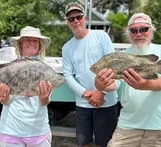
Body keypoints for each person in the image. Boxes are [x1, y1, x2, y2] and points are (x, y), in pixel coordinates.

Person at [95, 13, 161, 147]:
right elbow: (113, 84)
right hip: (128, 126)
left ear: (151, 30)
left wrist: (144, 85)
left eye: (143, 29)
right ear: (128, 33)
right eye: (133, 30)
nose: (138, 33)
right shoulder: (121, 56)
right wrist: (100, 85)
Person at [62, 2, 118, 147]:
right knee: (82, 144)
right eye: (71, 19)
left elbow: (113, 66)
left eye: (78, 17)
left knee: (105, 144)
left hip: (107, 102)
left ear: (84, 18)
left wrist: (101, 92)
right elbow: (68, 75)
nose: (76, 21)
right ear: (68, 23)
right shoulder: (67, 47)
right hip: (83, 104)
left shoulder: (101, 36)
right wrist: (86, 93)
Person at [0, 26, 53, 147]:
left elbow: (45, 101)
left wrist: (44, 98)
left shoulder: (45, 68)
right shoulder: (11, 67)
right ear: (20, 44)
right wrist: (3, 97)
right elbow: (7, 101)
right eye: (28, 39)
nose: (32, 43)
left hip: (38, 130)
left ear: (40, 45)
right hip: (11, 129)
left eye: (35, 40)